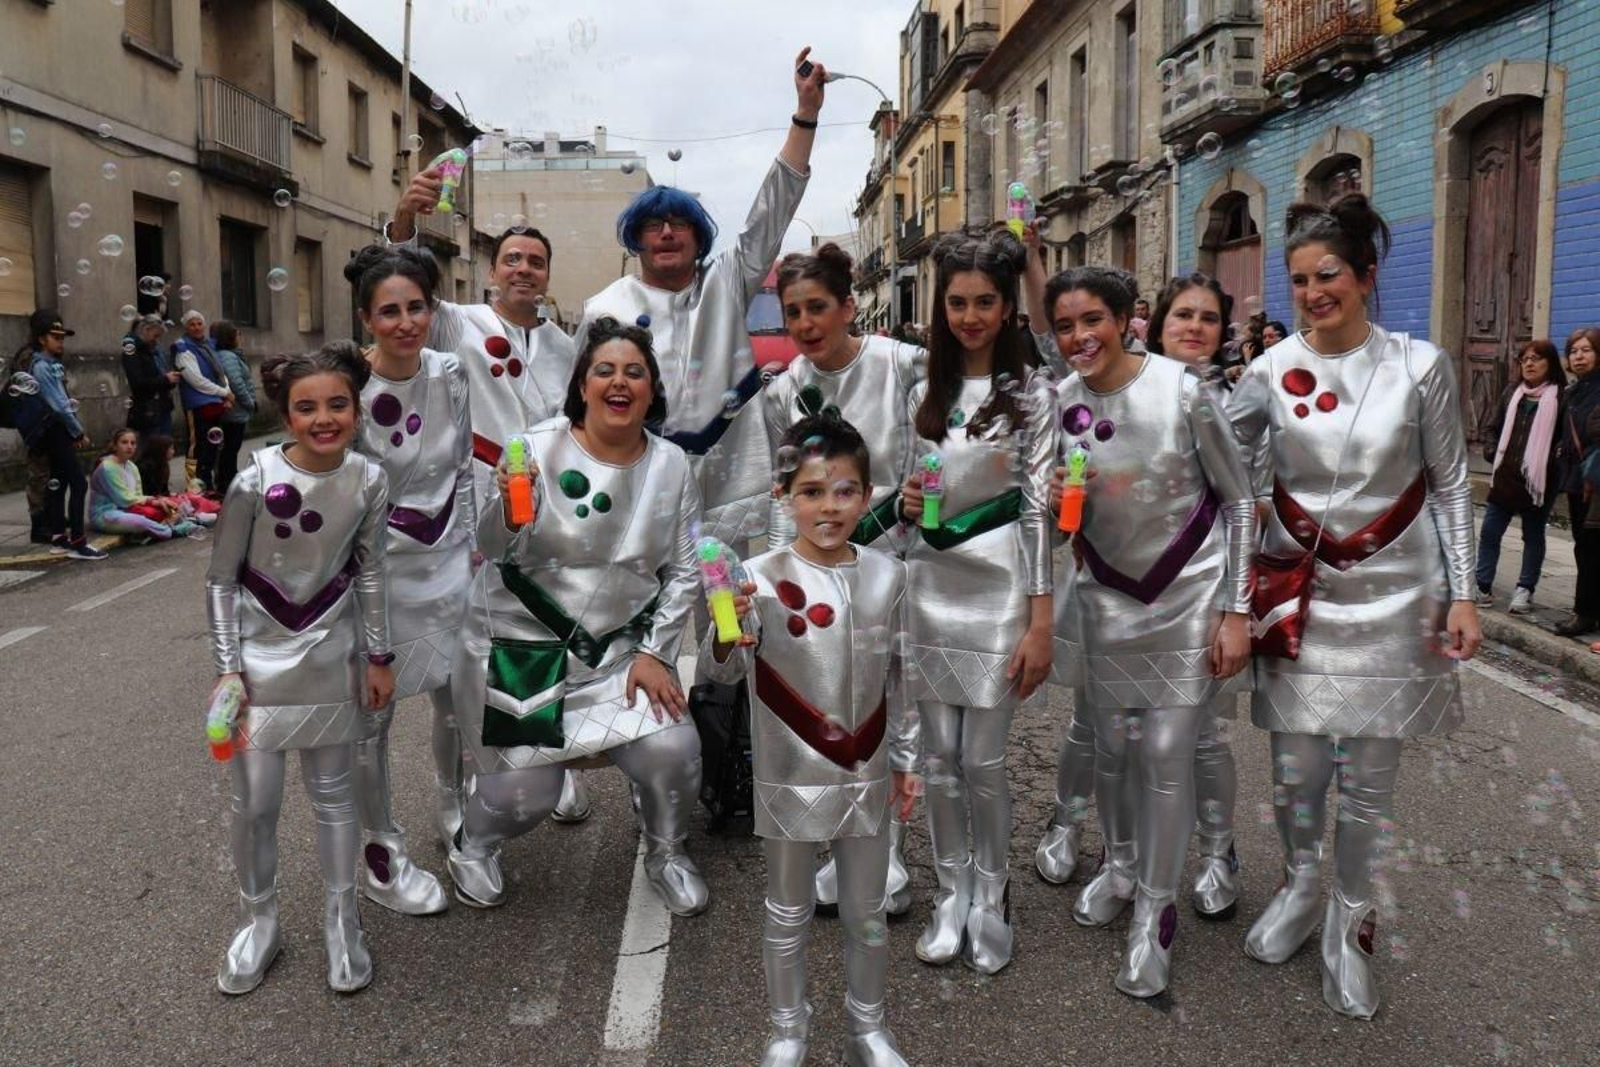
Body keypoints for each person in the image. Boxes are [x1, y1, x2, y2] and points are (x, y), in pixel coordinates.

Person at [1229, 193, 1480, 1018]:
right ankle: (1302, 884)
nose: (1312, 292)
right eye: (1299, 279)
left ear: (1367, 276)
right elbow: (1223, 477)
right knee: (1296, 770)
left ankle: (1349, 915)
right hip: (1301, 593)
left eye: (1327, 274)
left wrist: (1464, 593)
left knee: (1367, 782)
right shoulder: (1266, 371)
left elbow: (1448, 484)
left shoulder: (1421, 365)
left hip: (1399, 595)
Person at [446, 317, 710, 916]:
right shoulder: (533, 448)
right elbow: (490, 544)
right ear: (582, 385)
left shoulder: (673, 465)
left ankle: (666, 849)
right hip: (521, 653)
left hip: (618, 655)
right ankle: (473, 843)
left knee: (674, 749)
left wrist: (656, 651)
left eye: (634, 372)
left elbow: (686, 570)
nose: (620, 383)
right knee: (524, 796)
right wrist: (510, 508)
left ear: (651, 389)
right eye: (605, 370)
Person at [1047, 267, 1255, 998]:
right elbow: (1053, 521)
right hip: (1107, 596)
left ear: (1125, 318)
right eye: (1066, 325)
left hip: (1188, 596)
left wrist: (1237, 607)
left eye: (1093, 319)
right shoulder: (1061, 403)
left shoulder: (1184, 389)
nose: (1080, 337)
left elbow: (1240, 502)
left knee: (1167, 748)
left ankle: (1156, 916)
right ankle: (1122, 864)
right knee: (1114, 747)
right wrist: (1047, 506)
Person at [700, 415, 918, 1067]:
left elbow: (902, 679)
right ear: (783, 494)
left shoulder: (890, 575)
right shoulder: (755, 578)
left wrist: (909, 761)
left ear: (869, 493)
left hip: (866, 770)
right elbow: (721, 671)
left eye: (846, 491)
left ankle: (868, 1028)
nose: (829, 506)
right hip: (787, 769)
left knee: (866, 910)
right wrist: (727, 627)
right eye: (813, 491)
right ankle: (788, 1029)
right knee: (788, 909)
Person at [575, 49, 828, 549]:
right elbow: (579, 406)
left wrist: (806, 115)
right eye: (653, 225)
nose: (667, 234)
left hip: (730, 478)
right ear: (636, 240)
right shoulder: (605, 307)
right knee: (651, 606)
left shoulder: (727, 281)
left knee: (735, 612)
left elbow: (771, 213)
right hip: (641, 476)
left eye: (680, 224)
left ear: (700, 237)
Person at [390, 184, 584, 829]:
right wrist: (405, 216)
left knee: (543, 636)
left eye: (535, 260)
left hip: (544, 509)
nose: (523, 268)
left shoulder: (565, 346)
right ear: (493, 270)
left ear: (547, 274)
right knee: (462, 659)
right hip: (469, 504)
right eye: (512, 259)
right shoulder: (456, 321)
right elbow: (402, 276)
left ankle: (549, 754)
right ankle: (457, 797)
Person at [205, 342, 395, 995]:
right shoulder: (251, 481)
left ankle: (343, 921)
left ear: (356, 409)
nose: (324, 418)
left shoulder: (369, 479)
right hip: (259, 666)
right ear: (286, 415)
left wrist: (379, 653)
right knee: (255, 803)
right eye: (306, 407)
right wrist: (229, 668)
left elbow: (370, 571)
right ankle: (260, 921)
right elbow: (221, 581)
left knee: (336, 798)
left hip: (332, 657)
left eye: (337, 404)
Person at [897, 227, 1056, 975]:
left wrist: (1040, 618)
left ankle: (991, 893)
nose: (969, 315)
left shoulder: (1034, 394)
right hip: (930, 590)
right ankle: (949, 891)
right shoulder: (919, 390)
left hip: (999, 596)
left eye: (984, 301)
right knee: (938, 759)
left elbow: (1037, 513)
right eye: (956, 302)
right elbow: (911, 492)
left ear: (1005, 307)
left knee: (983, 760)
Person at [764, 243, 926, 916]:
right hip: (820, 567)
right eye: (793, 310)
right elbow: (781, 490)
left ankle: (886, 860)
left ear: (848, 304)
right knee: (830, 710)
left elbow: (950, 436)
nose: (806, 322)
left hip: (896, 560)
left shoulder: (901, 363)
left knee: (888, 710)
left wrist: (929, 492)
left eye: (818, 307)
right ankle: (839, 848)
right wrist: (778, 578)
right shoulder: (781, 391)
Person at [338, 245, 477, 917]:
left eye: (416, 306)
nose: (404, 321)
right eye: (388, 310)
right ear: (366, 317)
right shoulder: (348, 389)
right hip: (379, 577)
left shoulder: (451, 372)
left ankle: (456, 811)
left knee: (458, 699)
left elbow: (468, 466)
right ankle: (381, 850)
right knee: (374, 718)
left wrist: (477, 550)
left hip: (451, 565)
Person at [1475, 339, 1567, 614]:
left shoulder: (1561, 397)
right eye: (1525, 358)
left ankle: (1524, 590)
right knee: (1490, 531)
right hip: (1506, 476)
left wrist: (1552, 464)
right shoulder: (1511, 393)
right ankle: (1482, 585)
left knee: (1533, 535)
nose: (1529, 363)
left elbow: (1565, 441)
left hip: (1538, 482)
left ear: (1549, 363)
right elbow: (1492, 427)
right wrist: (1493, 452)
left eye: (1536, 358)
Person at [22, 310, 106, 560]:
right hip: (55, 431)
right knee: (78, 483)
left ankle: (59, 537)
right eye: (55, 337)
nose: (60, 341)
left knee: (58, 484)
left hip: (54, 430)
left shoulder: (50, 365)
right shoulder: (42, 367)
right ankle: (79, 541)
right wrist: (78, 431)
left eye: (62, 337)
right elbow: (59, 405)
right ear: (41, 339)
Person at [1555, 328, 1600, 636]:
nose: (1579, 356)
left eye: (1586, 350)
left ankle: (1585, 614)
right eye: (1573, 351)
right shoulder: (1573, 391)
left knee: (1592, 546)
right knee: (1584, 546)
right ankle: (1587, 611)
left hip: (1596, 483)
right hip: (1576, 480)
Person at [172, 310, 233, 493]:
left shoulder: (208, 346)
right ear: (186, 328)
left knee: (212, 447)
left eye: (199, 323)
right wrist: (224, 393)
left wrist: (227, 394)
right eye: (192, 324)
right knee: (197, 446)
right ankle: (194, 486)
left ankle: (207, 484)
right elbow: (195, 380)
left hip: (215, 402)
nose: (197, 327)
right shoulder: (183, 348)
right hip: (197, 404)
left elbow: (220, 374)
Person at [89, 428, 187, 541]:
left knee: (168, 507)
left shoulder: (132, 466)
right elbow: (124, 499)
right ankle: (169, 530)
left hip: (126, 509)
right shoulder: (107, 467)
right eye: (124, 442)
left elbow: (138, 495)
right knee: (140, 521)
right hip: (106, 514)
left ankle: (163, 526)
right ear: (115, 446)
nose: (129, 446)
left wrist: (160, 501)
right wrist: (153, 500)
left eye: (133, 443)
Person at [210, 321, 257, 497]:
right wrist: (249, 402)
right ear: (229, 337)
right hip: (234, 410)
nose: (240, 337)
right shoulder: (228, 356)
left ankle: (228, 480)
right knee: (230, 448)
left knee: (230, 448)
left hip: (235, 409)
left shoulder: (230, 355)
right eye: (237, 333)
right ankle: (227, 483)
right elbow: (236, 383)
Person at [134, 432, 220, 527]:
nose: (173, 451)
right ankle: (195, 517)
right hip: (150, 501)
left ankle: (197, 515)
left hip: (159, 499)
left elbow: (164, 491)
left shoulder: (162, 465)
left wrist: (173, 495)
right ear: (161, 450)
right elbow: (148, 494)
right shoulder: (145, 468)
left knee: (189, 498)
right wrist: (165, 498)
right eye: (170, 448)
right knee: (179, 503)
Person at [121, 314, 178, 436]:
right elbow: (137, 382)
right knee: (152, 448)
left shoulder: (151, 350)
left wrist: (170, 380)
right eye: (155, 336)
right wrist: (165, 380)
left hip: (162, 406)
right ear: (146, 330)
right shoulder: (131, 349)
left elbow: (158, 375)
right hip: (147, 411)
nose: (157, 340)